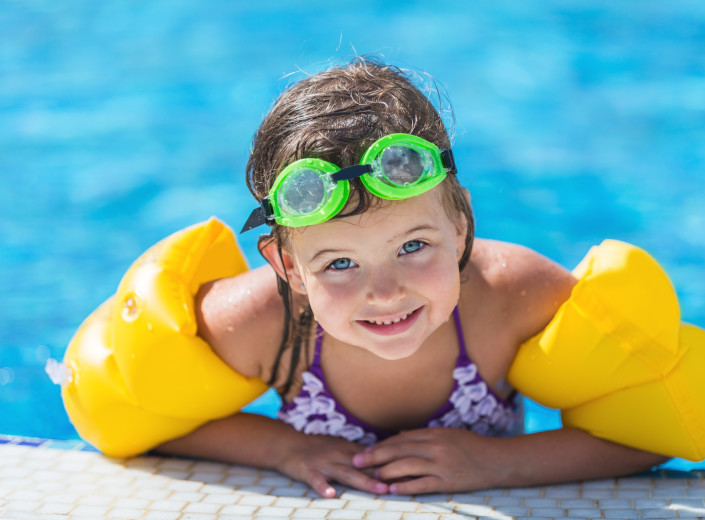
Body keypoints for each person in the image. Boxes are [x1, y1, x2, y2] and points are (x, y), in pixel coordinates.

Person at [155, 57, 669, 497]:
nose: (385, 292)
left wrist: (498, 465)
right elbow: (144, 418)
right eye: (339, 263)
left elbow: (658, 428)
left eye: (413, 246)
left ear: (461, 222)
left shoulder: (517, 298)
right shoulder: (259, 324)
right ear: (288, 267)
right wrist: (282, 448)